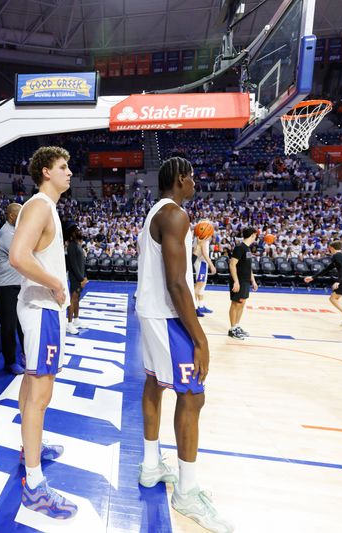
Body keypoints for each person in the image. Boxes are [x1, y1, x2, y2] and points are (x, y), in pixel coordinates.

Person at [136, 157, 233, 533]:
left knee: (153, 384)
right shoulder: (176, 215)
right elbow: (178, 284)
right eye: (192, 177)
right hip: (169, 316)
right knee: (192, 397)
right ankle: (187, 493)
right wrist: (200, 337)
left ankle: (149, 466)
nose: (195, 183)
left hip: (150, 312)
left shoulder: (154, 213)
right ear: (180, 179)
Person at [8, 146, 75, 519]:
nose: (69, 173)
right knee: (40, 395)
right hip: (43, 309)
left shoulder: (45, 207)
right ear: (46, 171)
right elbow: (18, 256)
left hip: (40, 308)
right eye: (63, 167)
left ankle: (27, 449)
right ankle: (34, 487)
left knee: (32, 386)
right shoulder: (39, 205)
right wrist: (55, 283)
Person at [0, 202, 25, 375]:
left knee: (22, 323)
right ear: (12, 216)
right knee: (9, 325)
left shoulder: (16, 231)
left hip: (15, 284)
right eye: (20, 214)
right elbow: (21, 255)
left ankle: (25, 354)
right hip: (5, 285)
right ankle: (10, 362)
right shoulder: (7, 233)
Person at [228, 227, 259, 340]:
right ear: (252, 235)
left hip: (245, 281)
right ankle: (232, 330)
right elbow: (232, 264)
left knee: (242, 303)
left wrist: (253, 281)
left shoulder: (248, 249)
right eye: (255, 235)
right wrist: (236, 281)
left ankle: (236, 326)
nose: (256, 237)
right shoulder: (239, 248)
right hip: (239, 280)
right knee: (235, 304)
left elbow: (248, 266)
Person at [65, 224, 88, 335]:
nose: (78, 231)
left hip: (80, 277)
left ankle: (76, 320)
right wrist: (81, 278)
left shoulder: (78, 244)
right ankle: (69, 324)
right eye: (76, 230)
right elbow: (73, 265)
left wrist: (85, 276)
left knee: (77, 299)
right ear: (71, 234)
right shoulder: (71, 246)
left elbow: (82, 263)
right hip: (75, 278)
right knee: (72, 300)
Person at [193, 230, 217, 317]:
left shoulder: (202, 237)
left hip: (202, 263)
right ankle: (194, 308)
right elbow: (204, 253)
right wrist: (211, 265)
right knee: (199, 285)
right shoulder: (202, 237)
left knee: (202, 286)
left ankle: (201, 306)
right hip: (201, 262)